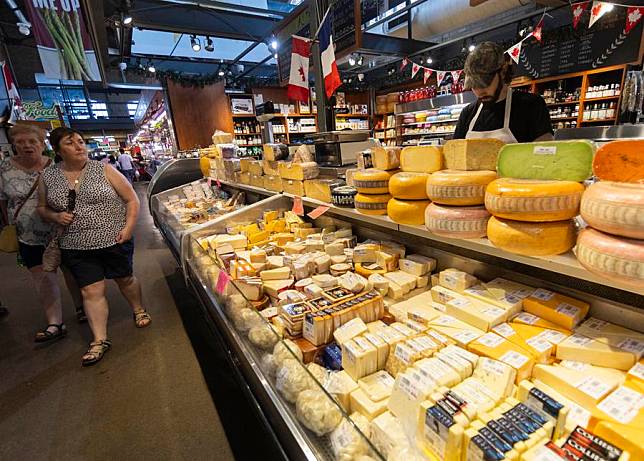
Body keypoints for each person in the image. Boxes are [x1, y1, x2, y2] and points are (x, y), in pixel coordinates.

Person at [38, 127, 151, 366]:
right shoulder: (48, 177)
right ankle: (99, 339)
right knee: (91, 291)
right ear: (58, 150)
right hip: (75, 243)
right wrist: (55, 217)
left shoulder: (104, 169)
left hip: (113, 239)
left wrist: (129, 228)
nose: (79, 146)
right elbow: (41, 208)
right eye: (71, 143)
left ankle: (138, 308)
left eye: (80, 141)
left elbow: (132, 199)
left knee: (125, 279)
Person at [0, 124, 80, 342]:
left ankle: (81, 307)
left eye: (32, 141)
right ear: (13, 144)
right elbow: (2, 201)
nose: (26, 146)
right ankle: (55, 322)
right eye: (20, 142)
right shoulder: (4, 169)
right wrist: (9, 225)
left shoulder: (56, 164)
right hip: (28, 235)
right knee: (42, 278)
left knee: (71, 270)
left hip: (62, 228)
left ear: (42, 144)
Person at [453, 42, 554, 143]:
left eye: (484, 83)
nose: (479, 91)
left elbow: (545, 153)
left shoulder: (531, 105)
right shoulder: (467, 113)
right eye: (473, 85)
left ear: (503, 72)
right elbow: (455, 154)